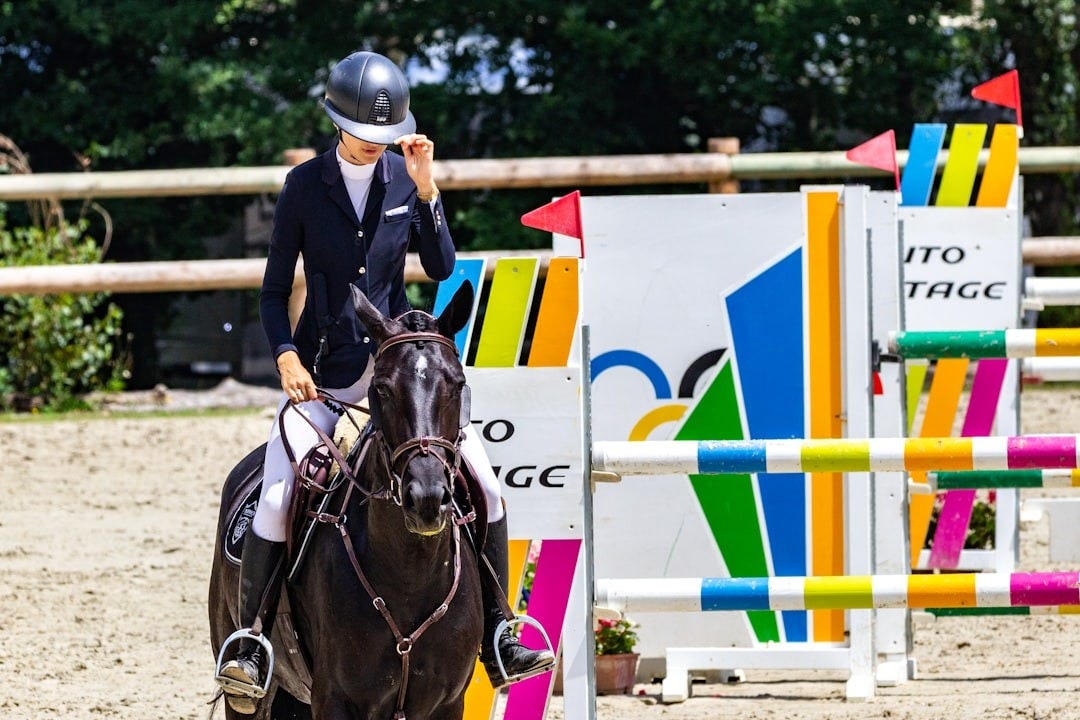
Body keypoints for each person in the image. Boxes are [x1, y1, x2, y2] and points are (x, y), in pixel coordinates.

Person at [214, 50, 554, 713]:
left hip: (402, 372)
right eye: (365, 137)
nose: (375, 148)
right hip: (326, 376)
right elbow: (273, 289)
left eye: (385, 138)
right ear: (338, 122)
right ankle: (252, 643)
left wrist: (427, 189)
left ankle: (498, 631)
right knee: (282, 493)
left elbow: (442, 263)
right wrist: (284, 354)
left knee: (484, 482)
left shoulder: (404, 180)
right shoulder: (305, 187)